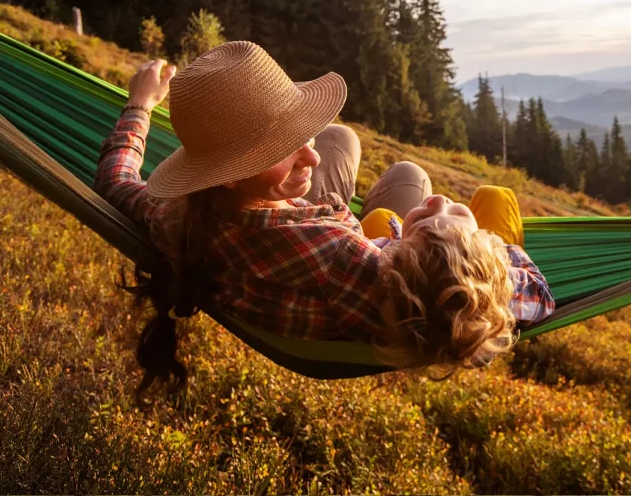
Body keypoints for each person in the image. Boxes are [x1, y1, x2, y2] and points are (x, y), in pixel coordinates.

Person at [94, 41, 554, 395]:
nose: (309, 156)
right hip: (340, 258)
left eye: (301, 133)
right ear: (231, 175)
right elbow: (523, 299)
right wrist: (468, 237)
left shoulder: (177, 218)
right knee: (454, 186)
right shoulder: (349, 265)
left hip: (294, 236)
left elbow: (116, 180)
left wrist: (140, 106)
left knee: (340, 139)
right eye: (282, 147)